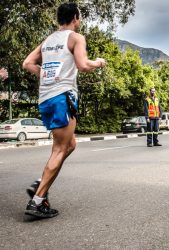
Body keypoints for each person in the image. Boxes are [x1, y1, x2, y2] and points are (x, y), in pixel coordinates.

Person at [22, 2, 106, 218]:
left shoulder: (49, 40)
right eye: (80, 17)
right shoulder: (76, 38)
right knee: (60, 149)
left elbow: (27, 63)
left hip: (46, 99)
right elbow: (83, 65)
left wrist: (44, 74)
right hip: (62, 97)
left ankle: (41, 183)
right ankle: (38, 200)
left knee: (70, 144)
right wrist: (98, 62)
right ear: (75, 17)